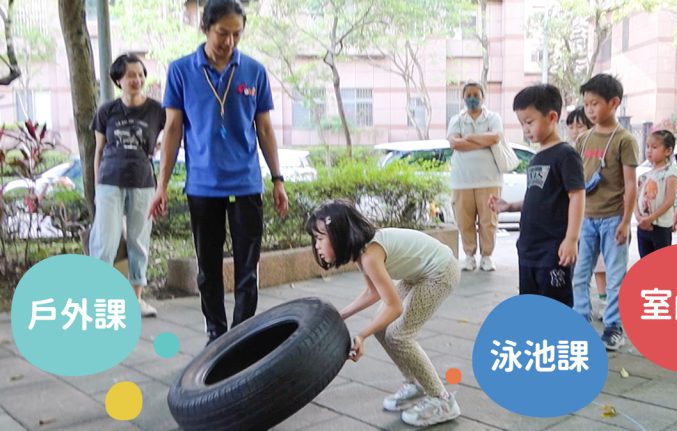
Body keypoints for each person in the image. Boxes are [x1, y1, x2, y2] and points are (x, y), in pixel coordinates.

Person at [149, 0, 289, 344]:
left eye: (236, 34)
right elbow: (172, 130)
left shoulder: (254, 71)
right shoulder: (181, 70)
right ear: (205, 28)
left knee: (247, 268)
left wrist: (278, 179)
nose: (229, 41)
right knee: (207, 268)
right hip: (202, 186)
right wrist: (161, 186)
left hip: (245, 184)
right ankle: (216, 333)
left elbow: (266, 130)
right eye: (222, 33)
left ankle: (242, 333)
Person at [306, 199, 461, 427]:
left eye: (320, 238)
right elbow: (372, 292)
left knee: (399, 335)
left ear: (338, 234)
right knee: (383, 329)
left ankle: (443, 400)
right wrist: (340, 316)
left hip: (440, 272)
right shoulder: (362, 252)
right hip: (418, 274)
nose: (317, 246)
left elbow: (394, 306)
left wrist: (362, 335)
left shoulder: (369, 254)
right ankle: (414, 384)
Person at [489, 84, 584, 306]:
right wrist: (510, 206)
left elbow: (577, 196)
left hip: (552, 250)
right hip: (529, 248)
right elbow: (539, 198)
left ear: (551, 117)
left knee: (554, 308)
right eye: (522, 123)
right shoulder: (536, 157)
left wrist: (571, 239)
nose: (525, 129)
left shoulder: (566, 155)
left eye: (529, 122)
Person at [89, 54, 165, 318]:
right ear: (118, 79)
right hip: (109, 181)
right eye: (130, 75)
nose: (137, 80)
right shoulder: (106, 111)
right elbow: (99, 151)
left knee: (139, 240)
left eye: (140, 74)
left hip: (143, 183)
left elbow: (166, 144)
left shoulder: (157, 110)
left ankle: (136, 299)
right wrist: (97, 187)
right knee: (104, 242)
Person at [572, 74, 639, 351]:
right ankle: (580, 320)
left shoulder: (624, 140)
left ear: (614, 103)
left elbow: (631, 184)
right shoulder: (584, 139)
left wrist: (625, 221)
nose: (589, 109)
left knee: (615, 276)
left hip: (613, 220)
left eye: (595, 103)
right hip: (586, 219)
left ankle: (613, 326)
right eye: (586, 104)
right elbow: (575, 184)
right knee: (579, 274)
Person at [447, 80, 504, 272]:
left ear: (483, 97)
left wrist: (469, 138)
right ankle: (469, 256)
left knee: (488, 220)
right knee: (465, 220)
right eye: (468, 95)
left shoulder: (493, 117)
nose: (472, 99)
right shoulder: (457, 119)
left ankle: (487, 256)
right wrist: (482, 140)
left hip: (489, 179)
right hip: (462, 180)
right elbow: (454, 143)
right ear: (463, 98)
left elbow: (495, 137)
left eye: (476, 95)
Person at [567, 107, 607, 318]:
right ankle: (580, 305)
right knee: (579, 266)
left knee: (599, 264)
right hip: (577, 217)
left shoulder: (595, 150)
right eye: (571, 126)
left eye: (579, 125)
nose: (575, 130)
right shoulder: (568, 152)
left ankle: (603, 301)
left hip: (597, 215)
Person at [635, 130, 677, 257]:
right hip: (642, 226)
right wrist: (639, 217)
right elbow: (636, 197)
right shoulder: (645, 175)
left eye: (654, 147)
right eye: (647, 146)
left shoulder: (670, 174)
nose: (649, 150)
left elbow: (669, 200)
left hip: (660, 227)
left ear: (668, 151)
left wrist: (650, 218)